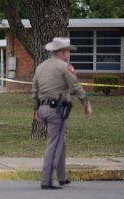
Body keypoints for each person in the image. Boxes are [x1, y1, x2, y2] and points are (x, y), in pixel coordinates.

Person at [32, 37, 92, 190]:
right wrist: (86, 104)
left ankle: (62, 177)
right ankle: (46, 181)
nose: (69, 54)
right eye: (68, 51)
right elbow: (75, 86)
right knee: (54, 144)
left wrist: (36, 109)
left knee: (60, 142)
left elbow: (34, 89)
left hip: (43, 109)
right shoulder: (64, 67)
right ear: (64, 52)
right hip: (56, 110)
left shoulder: (41, 66)